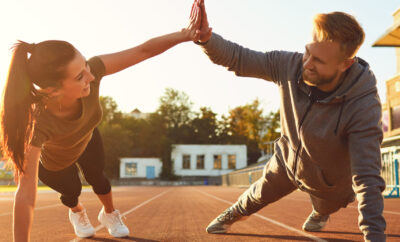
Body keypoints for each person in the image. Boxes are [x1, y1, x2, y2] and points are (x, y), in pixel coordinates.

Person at [1, 2, 203, 241]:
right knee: (72, 191)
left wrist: (184, 35)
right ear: (53, 91)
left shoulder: (93, 72)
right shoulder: (37, 123)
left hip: (86, 137)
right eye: (79, 76)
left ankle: (110, 214)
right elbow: (25, 193)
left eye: (85, 64)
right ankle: (77, 212)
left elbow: (142, 51)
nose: (91, 76)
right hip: (54, 164)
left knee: (99, 179)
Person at [189, 0, 386, 241]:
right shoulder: (289, 65)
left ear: (346, 64)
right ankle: (232, 213)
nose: (306, 64)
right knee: (253, 197)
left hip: (330, 183)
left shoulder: (363, 106)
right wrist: (206, 39)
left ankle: (319, 212)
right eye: (307, 52)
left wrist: (374, 235)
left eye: (319, 61)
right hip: (286, 163)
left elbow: (367, 176)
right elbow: (239, 58)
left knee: (326, 206)